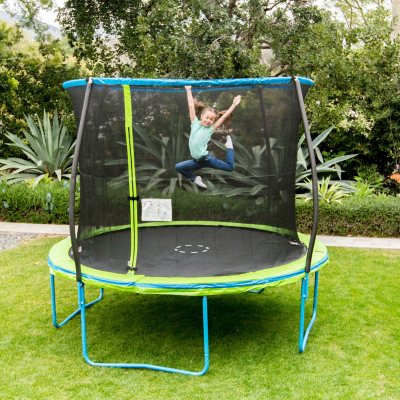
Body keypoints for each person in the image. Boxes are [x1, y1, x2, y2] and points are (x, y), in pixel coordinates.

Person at [175, 86, 241, 189]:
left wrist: (234, 105)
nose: (208, 121)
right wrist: (188, 90)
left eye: (211, 119)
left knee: (230, 167)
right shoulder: (194, 123)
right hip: (196, 161)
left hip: (207, 159)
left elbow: (223, 117)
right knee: (178, 167)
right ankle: (195, 179)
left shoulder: (210, 129)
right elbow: (191, 106)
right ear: (201, 116)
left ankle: (229, 147)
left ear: (213, 121)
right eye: (207, 118)